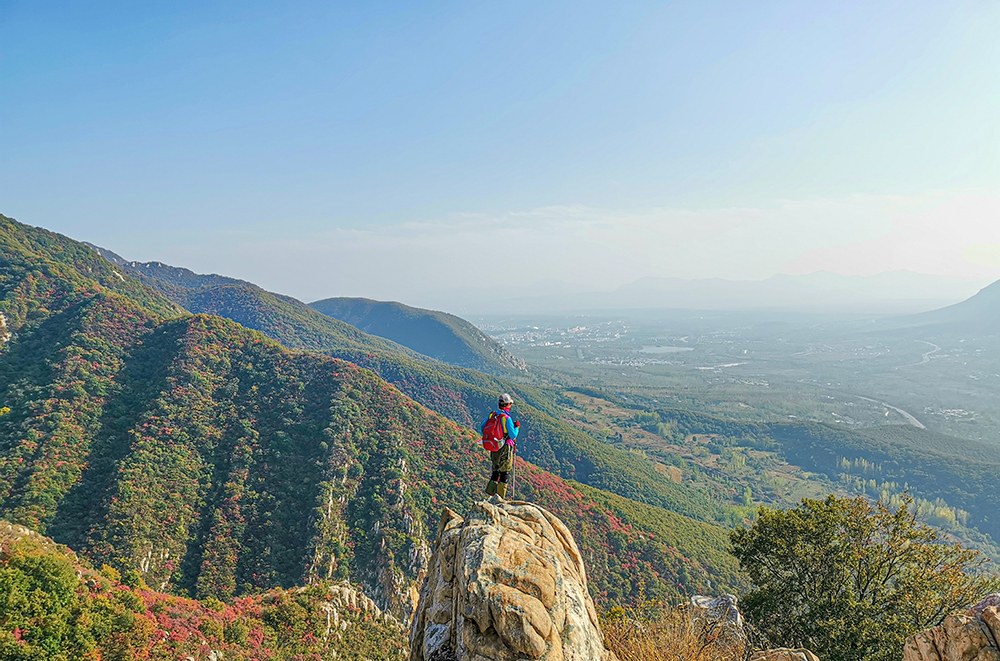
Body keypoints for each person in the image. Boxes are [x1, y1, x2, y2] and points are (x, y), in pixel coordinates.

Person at [481, 393, 519, 498]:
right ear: (507, 405)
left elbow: (482, 428)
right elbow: (513, 435)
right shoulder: (506, 418)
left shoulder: (492, 415)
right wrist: (517, 427)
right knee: (504, 473)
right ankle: (500, 498)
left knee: (495, 470)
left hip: (494, 446)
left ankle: (490, 494)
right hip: (504, 448)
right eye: (510, 404)